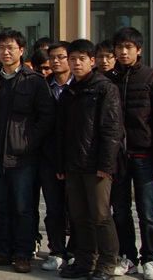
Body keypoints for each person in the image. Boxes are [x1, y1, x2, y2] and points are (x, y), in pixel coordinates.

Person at [0, 29, 54, 274]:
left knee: (23, 207)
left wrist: (28, 142)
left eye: (11, 47)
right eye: (2, 47)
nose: (6, 52)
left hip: (22, 158)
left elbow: (46, 116)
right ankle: (2, 250)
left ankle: (23, 253)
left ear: (21, 50)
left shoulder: (34, 80)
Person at [108, 26, 153, 280]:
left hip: (143, 155)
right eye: (119, 47)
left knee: (147, 212)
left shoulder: (151, 78)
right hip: (117, 157)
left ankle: (151, 259)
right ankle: (128, 257)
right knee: (120, 210)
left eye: (128, 47)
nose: (123, 52)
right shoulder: (109, 79)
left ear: (138, 49)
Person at [55, 39, 123, 280]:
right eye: (72, 59)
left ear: (92, 61)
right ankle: (85, 261)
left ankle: (107, 264)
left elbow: (112, 129)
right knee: (79, 216)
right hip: (73, 165)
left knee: (100, 216)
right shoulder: (69, 92)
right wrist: (61, 163)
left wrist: (106, 164)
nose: (76, 63)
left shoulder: (105, 89)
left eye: (81, 59)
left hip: (96, 166)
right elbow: (61, 132)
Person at [39, 41, 74, 272]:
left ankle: (76, 251)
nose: (55, 61)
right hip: (48, 156)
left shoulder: (81, 85)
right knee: (53, 209)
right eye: (52, 57)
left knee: (76, 209)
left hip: (75, 157)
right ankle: (57, 250)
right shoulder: (43, 86)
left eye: (61, 56)